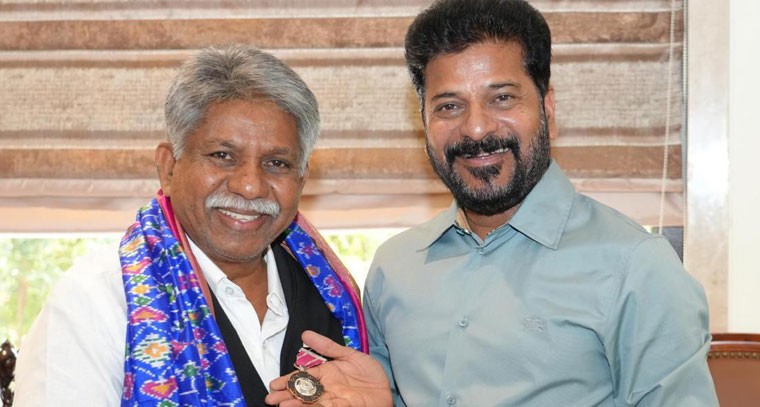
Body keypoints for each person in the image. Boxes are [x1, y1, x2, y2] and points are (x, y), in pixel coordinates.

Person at [267, 0, 718, 405]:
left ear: (548, 109)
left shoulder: (637, 266)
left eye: (502, 98)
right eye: (449, 106)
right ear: (423, 121)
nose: (477, 128)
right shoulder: (394, 268)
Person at [14, 44, 367, 406]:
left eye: (277, 163)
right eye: (223, 156)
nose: (250, 186)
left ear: (302, 179)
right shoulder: (98, 300)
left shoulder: (333, 298)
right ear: (169, 168)